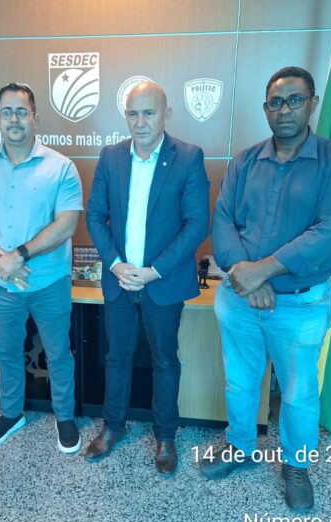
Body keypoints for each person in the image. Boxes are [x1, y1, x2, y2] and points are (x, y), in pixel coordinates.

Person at [202, 66, 331, 510]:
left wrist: (262, 272)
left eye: (294, 100)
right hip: (240, 299)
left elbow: (328, 232)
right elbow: (223, 221)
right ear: (266, 108)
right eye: (276, 102)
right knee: (240, 382)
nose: (284, 109)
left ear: (312, 104)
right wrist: (246, 277)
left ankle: (296, 464)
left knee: (298, 393)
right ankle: (240, 444)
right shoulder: (244, 161)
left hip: (300, 305)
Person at [84, 82, 209, 474]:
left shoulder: (187, 157)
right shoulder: (111, 157)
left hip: (162, 283)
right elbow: (95, 216)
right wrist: (115, 264)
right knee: (116, 357)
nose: (140, 122)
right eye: (133, 113)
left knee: (165, 360)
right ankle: (113, 426)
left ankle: (165, 436)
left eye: (149, 113)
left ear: (166, 114)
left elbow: (196, 224)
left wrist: (154, 271)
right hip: (120, 282)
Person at [0, 83, 83, 454]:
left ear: (34, 118)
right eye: (7, 112)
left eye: (21, 111)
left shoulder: (61, 167)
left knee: (58, 353)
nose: (14, 119)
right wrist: (0, 261)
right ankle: (12, 414)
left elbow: (66, 224)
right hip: (2, 284)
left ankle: (65, 417)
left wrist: (19, 255)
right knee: (7, 352)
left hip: (49, 282)